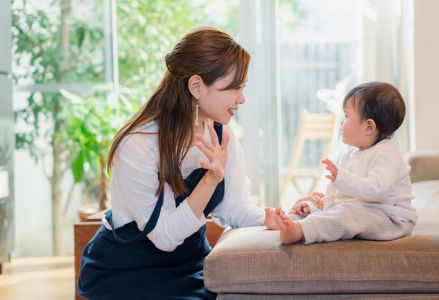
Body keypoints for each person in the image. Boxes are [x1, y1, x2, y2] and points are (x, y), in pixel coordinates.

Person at [78, 27, 265, 300]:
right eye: (234, 88)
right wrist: (210, 179)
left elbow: (236, 208)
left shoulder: (223, 136)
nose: (242, 98)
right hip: (128, 272)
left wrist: (280, 219)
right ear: (197, 86)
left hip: (192, 265)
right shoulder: (139, 144)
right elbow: (164, 238)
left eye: (243, 87)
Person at [265, 82, 417, 245]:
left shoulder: (387, 153)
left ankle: (299, 232)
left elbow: (377, 191)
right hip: (363, 210)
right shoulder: (349, 154)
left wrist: (342, 179)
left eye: (346, 116)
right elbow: (338, 197)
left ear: (369, 127)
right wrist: (319, 207)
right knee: (326, 209)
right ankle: (288, 221)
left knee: (346, 213)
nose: (341, 122)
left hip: (390, 218)